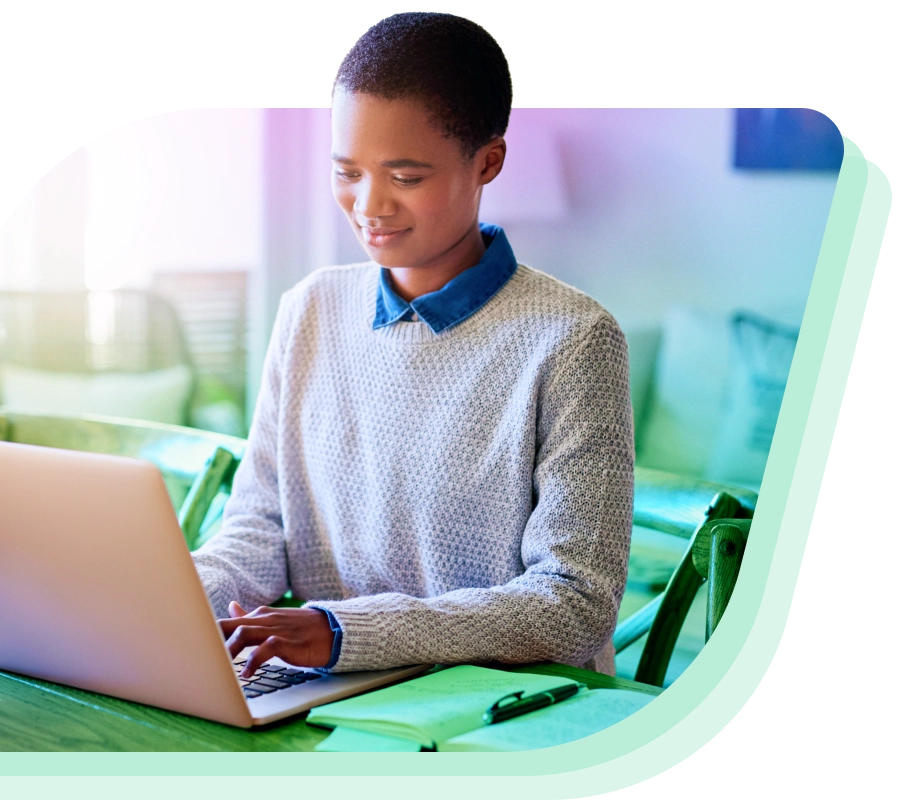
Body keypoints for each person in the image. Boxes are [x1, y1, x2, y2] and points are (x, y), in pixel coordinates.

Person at [193, 10, 634, 681]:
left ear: (487, 162)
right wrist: (166, 595)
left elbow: (572, 605)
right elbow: (259, 529)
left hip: (494, 712)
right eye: (348, 172)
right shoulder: (308, 309)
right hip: (330, 692)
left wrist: (346, 631)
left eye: (405, 177)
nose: (370, 205)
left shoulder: (574, 341)